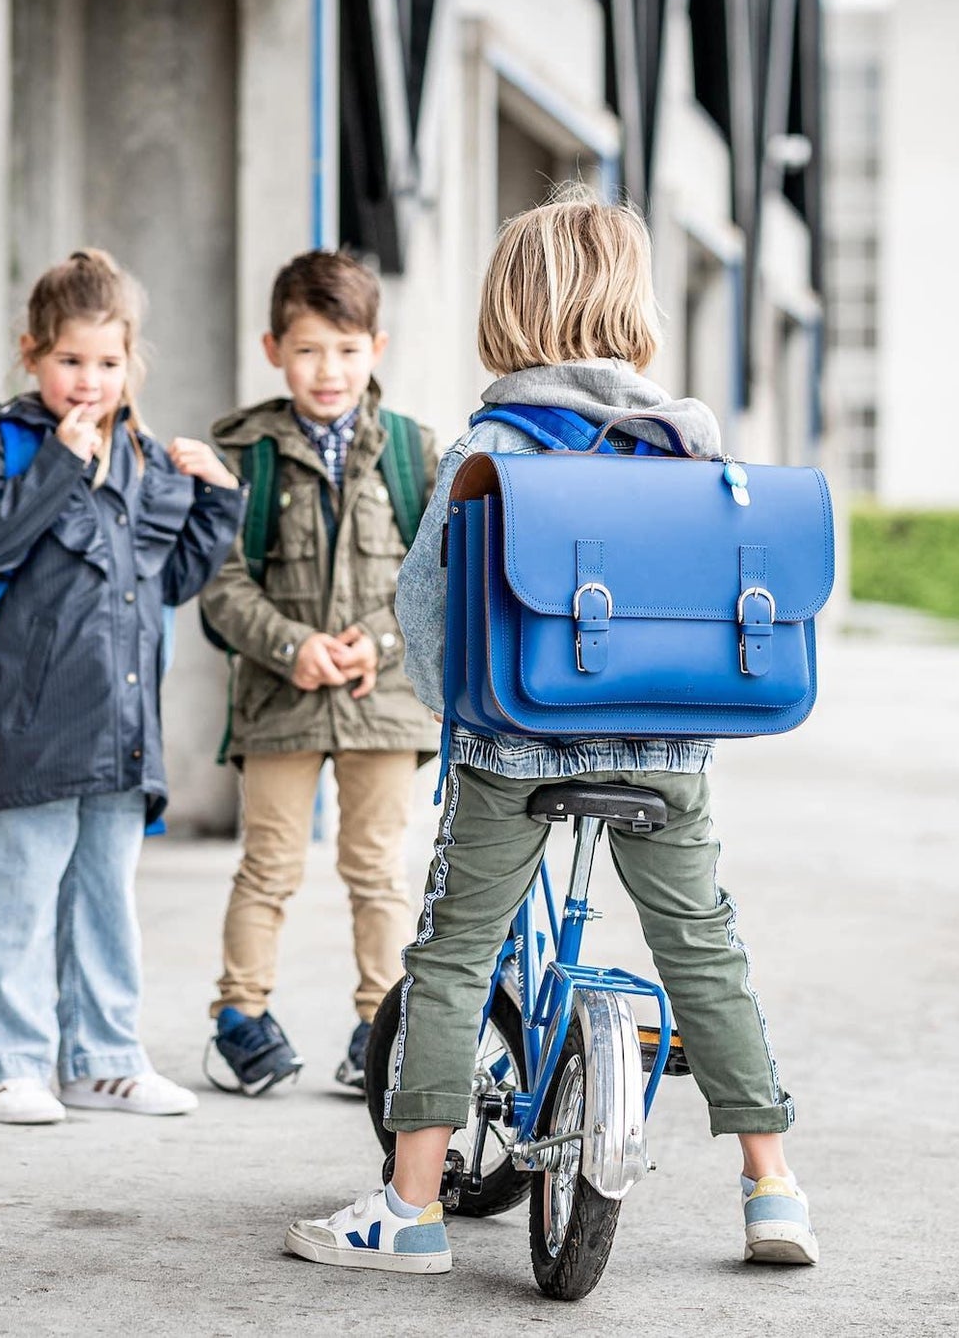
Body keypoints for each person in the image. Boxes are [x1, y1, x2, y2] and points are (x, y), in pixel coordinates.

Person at [284, 195, 819, 1272]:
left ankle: (411, 1209)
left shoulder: (491, 444)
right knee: (701, 947)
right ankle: (771, 1188)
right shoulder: (687, 440)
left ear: (508, 309)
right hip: (667, 743)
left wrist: (454, 710)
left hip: (517, 745)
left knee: (451, 956)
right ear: (632, 304)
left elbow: (426, 620)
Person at [0, 249, 245, 1124]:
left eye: (107, 363)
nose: (88, 380)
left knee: (106, 898)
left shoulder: (143, 456)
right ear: (31, 353)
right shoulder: (2, 443)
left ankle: (102, 1057)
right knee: (19, 890)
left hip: (122, 721)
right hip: (31, 716)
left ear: (130, 363)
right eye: (69, 361)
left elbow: (170, 577)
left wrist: (216, 500)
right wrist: (57, 467)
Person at [199, 251, 438, 1096]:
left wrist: (374, 642)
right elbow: (220, 581)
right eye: (306, 350)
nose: (326, 370)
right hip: (277, 696)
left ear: (375, 346)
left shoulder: (413, 453)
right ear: (273, 348)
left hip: (384, 702)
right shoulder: (243, 452)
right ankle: (240, 1018)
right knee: (267, 863)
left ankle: (382, 1023)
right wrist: (291, 645)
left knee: (376, 866)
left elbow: (433, 574)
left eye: (344, 349)